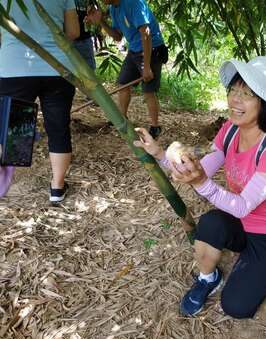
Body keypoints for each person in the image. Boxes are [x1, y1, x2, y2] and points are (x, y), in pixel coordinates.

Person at [134, 56, 266, 318]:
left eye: (245, 94)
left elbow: (244, 205)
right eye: (233, 90)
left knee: (236, 308)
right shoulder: (231, 130)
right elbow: (202, 169)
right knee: (211, 223)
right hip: (242, 221)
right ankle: (208, 278)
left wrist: (201, 183)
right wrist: (159, 154)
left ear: (265, 103)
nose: (235, 99)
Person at [0, 0, 79, 203]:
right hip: (57, 67)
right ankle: (57, 189)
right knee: (58, 127)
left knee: (14, 128)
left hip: (14, 67)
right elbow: (73, 32)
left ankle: (4, 181)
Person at [87, 0, 166, 139]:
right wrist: (101, 22)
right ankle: (122, 119)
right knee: (123, 84)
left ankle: (155, 126)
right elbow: (118, 36)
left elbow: (146, 33)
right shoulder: (114, 8)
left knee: (148, 90)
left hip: (151, 50)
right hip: (135, 50)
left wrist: (146, 66)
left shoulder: (133, 3)